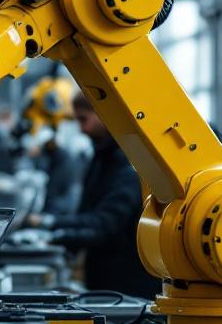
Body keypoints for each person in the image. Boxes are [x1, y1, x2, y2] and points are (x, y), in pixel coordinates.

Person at [27, 93, 157, 299]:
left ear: (104, 114)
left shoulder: (128, 164)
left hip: (127, 288)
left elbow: (104, 224)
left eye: (83, 119)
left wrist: (51, 228)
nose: (81, 129)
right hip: (107, 282)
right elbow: (90, 213)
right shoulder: (102, 157)